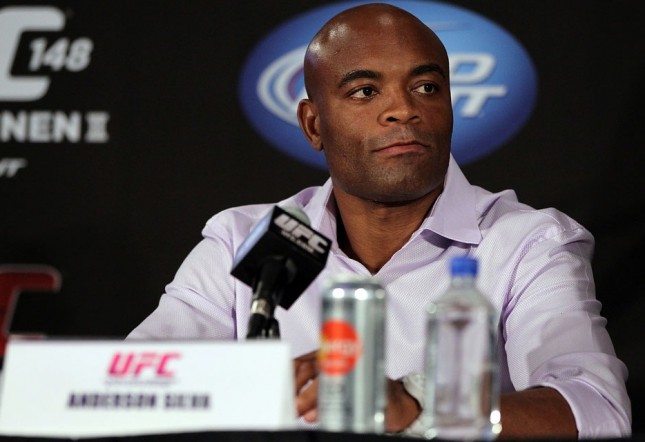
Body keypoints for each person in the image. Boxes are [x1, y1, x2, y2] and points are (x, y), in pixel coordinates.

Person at [128, 3, 631, 438]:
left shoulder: (527, 243)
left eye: (427, 86)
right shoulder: (245, 240)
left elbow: (595, 408)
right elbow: (131, 388)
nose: (403, 110)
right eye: (365, 91)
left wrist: (416, 406)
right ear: (313, 124)